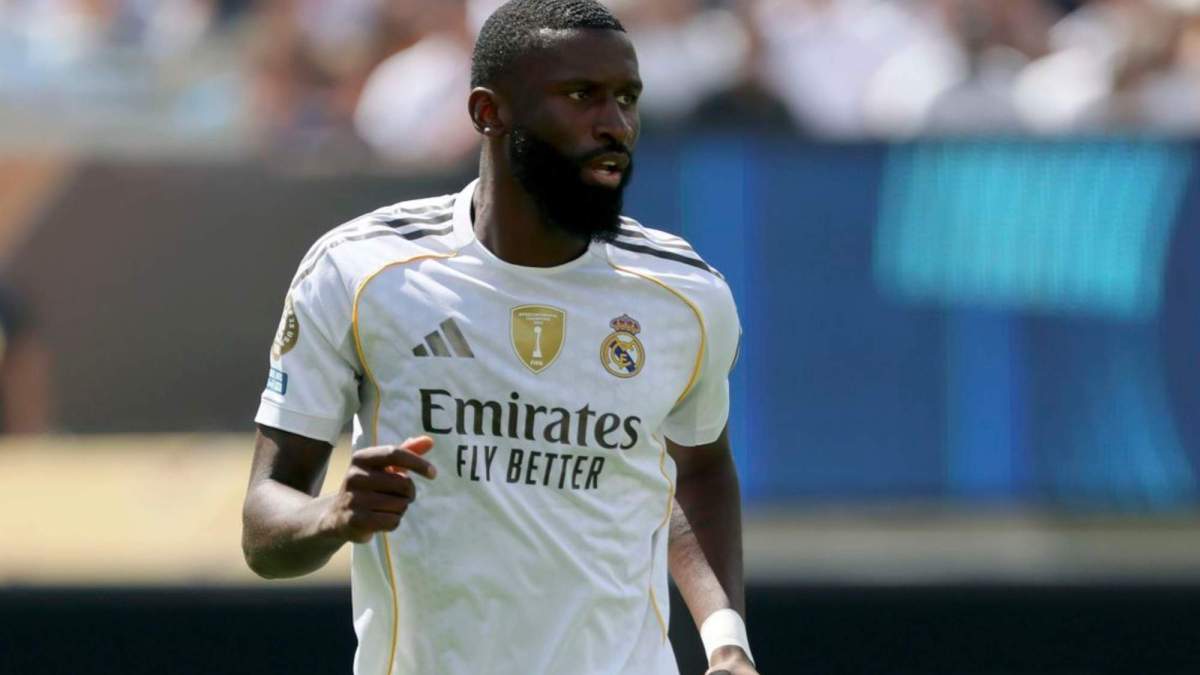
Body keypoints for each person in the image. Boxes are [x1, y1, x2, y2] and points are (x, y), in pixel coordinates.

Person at [241, 1, 756, 673]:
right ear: (489, 111)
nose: (616, 124)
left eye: (627, 98)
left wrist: (726, 639)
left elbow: (698, 470)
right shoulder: (361, 271)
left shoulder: (686, 296)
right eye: (582, 96)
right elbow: (262, 521)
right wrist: (334, 514)